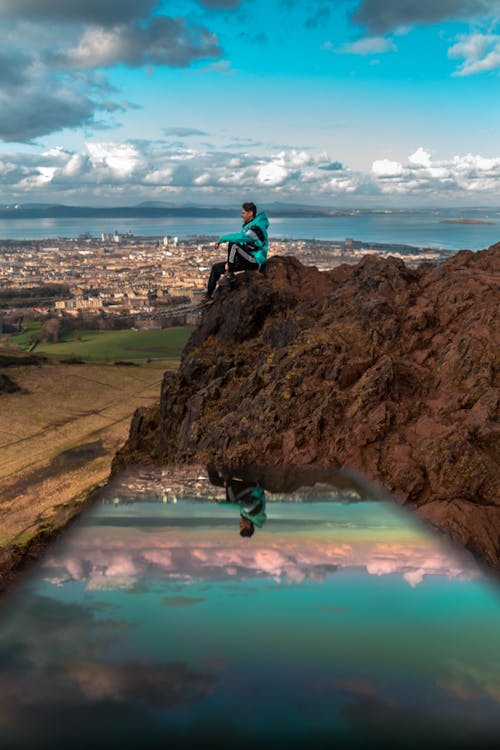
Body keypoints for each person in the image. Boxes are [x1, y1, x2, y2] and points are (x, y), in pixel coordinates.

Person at [202, 202, 269, 303]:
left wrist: (221, 239)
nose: (241, 215)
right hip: (246, 258)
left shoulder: (257, 228)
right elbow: (244, 247)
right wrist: (230, 263)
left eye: (243, 213)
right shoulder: (248, 227)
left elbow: (241, 238)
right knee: (216, 268)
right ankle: (208, 296)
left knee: (233, 244)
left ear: (250, 213)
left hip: (255, 261)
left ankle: (230, 274)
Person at [207, 466, 267, 538]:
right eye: (241, 526)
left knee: (214, 481)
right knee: (231, 500)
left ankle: (210, 463)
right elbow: (238, 506)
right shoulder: (253, 513)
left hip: (247, 490)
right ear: (248, 526)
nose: (240, 524)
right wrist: (219, 503)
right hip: (253, 489)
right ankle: (227, 477)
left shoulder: (247, 516)